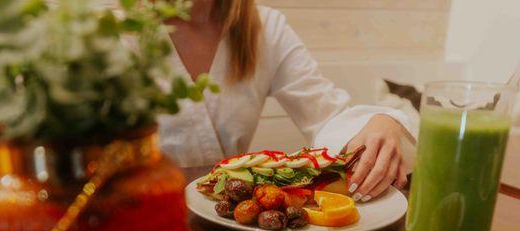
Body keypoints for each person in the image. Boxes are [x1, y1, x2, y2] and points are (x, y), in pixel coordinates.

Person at [158, 0, 414, 201]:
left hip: (227, 220)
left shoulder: (266, 29)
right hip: (136, 219)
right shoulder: (124, 31)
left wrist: (382, 121)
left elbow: (326, 115)